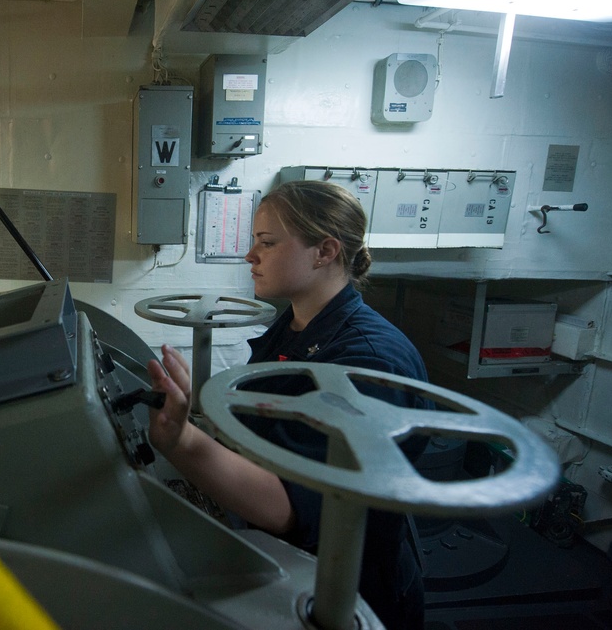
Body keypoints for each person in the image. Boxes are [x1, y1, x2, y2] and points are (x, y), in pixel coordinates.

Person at [146, 180, 426, 629]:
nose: (250, 256)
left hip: (347, 593)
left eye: (267, 243)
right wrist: (196, 406)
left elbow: (288, 507)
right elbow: (264, 427)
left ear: (325, 251)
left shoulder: (369, 361)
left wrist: (182, 441)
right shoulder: (296, 325)